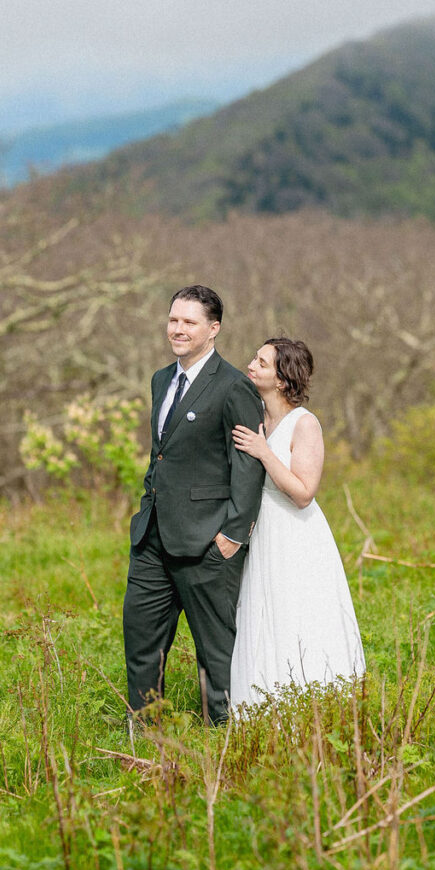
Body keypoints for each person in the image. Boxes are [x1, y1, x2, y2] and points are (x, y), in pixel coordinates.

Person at [123, 285, 265, 725]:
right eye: (173, 320)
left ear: (213, 328)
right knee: (142, 639)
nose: (177, 329)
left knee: (215, 651)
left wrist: (233, 534)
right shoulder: (161, 379)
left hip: (209, 540)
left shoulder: (233, 386)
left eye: (189, 322)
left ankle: (224, 736)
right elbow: (160, 454)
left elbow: (247, 464)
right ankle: (144, 732)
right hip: (153, 537)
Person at [230, 337, 365, 708]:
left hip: (294, 533)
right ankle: (258, 705)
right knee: (259, 615)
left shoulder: (305, 424)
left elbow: (304, 491)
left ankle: (310, 704)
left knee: (296, 613)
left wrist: (263, 452)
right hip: (259, 533)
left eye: (262, 362)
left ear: (282, 379)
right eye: (253, 357)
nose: (251, 364)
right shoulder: (253, 414)